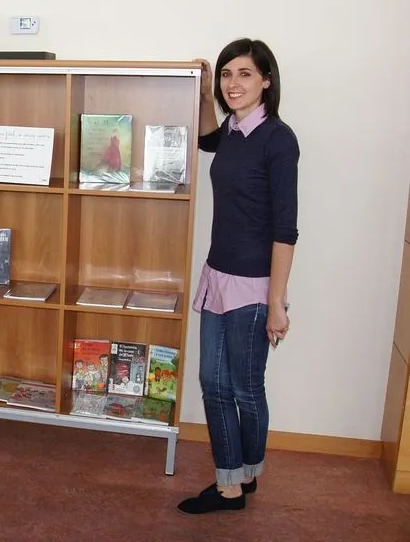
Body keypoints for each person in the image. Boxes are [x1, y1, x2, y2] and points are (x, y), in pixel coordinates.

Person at [177, 39, 299, 514]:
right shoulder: (231, 130)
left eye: (244, 74)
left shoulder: (278, 139)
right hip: (218, 275)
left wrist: (277, 303)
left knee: (246, 388)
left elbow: (285, 229)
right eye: (227, 74)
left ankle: (240, 480)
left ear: (266, 80)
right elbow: (207, 139)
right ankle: (236, 477)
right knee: (213, 383)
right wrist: (204, 88)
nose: (233, 83)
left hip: (253, 285)